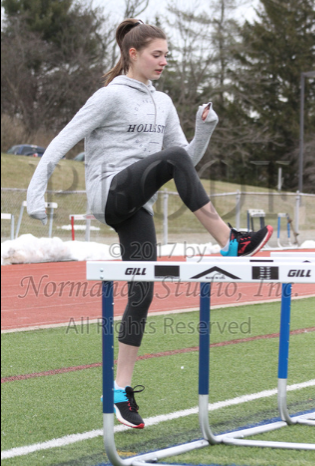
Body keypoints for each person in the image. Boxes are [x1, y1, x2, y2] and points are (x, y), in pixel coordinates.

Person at [27, 18, 273, 430]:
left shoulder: (164, 103)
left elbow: (183, 162)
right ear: (133, 54)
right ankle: (229, 240)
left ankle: (119, 391)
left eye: (166, 56)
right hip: (109, 195)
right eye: (157, 55)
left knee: (142, 292)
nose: (164, 62)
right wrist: (35, 194)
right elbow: (60, 142)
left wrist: (204, 131)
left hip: (135, 203)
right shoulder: (109, 97)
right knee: (172, 161)